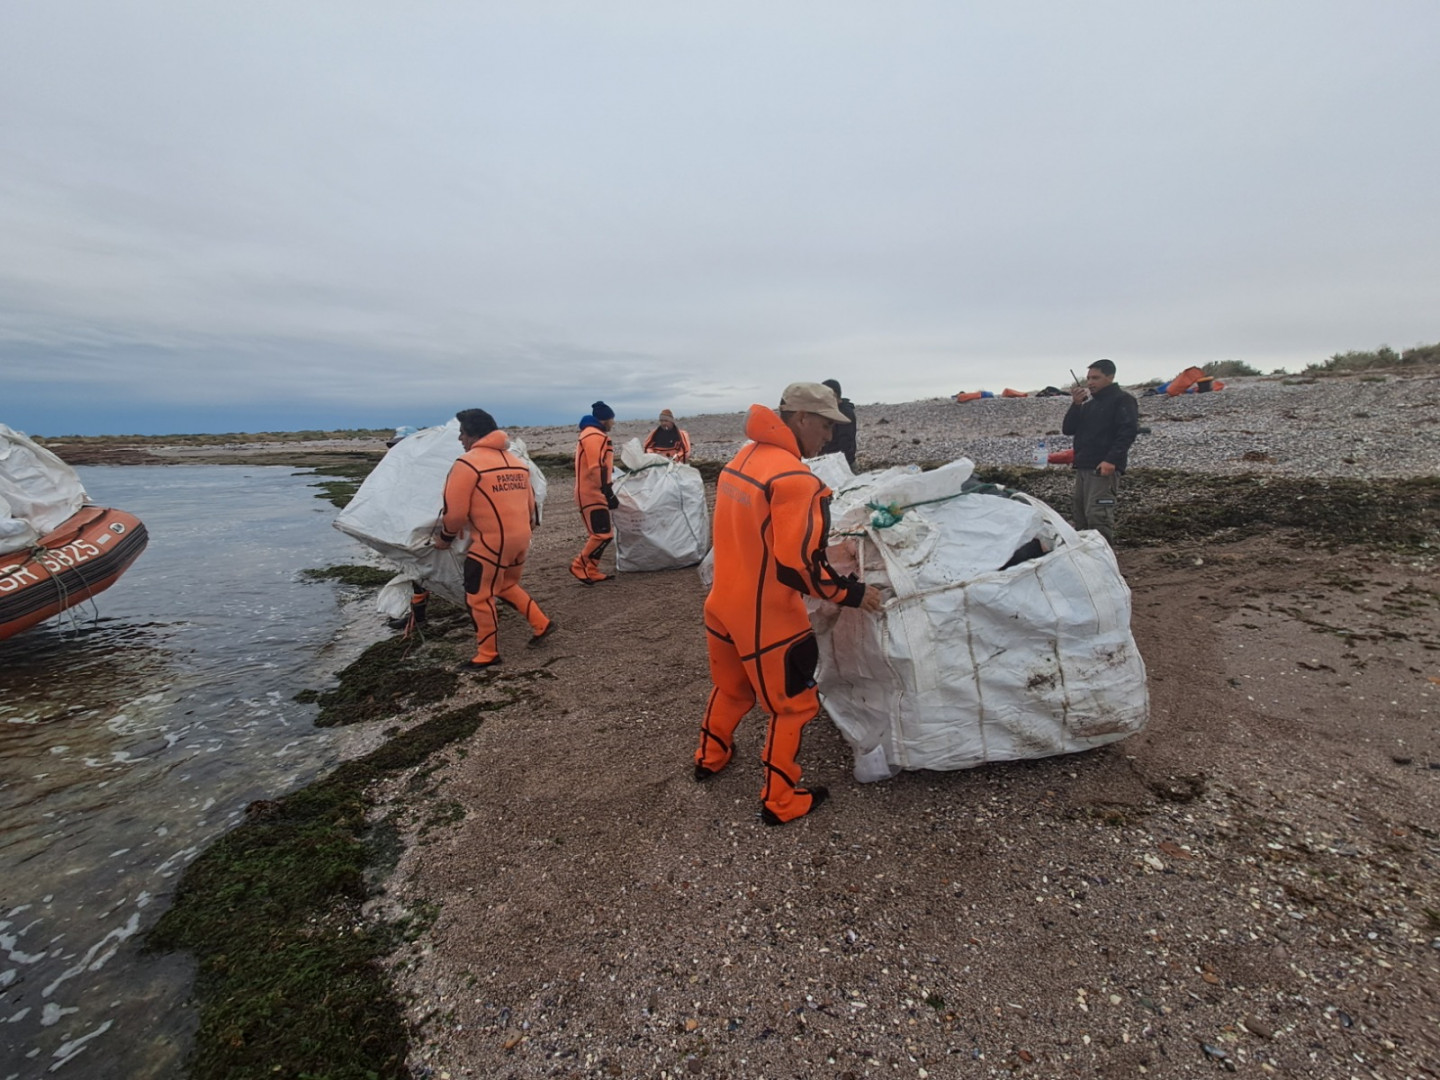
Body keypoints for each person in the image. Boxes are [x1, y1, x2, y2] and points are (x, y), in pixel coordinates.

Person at [694, 382, 886, 825]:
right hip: (767, 619)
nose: (830, 437)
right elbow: (798, 568)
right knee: (795, 705)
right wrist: (853, 594)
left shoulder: (740, 460)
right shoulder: (798, 481)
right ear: (800, 418)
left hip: (722, 604)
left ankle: (710, 756)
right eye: (823, 425)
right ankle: (780, 801)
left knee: (732, 687)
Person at [434, 408, 554, 671]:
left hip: (490, 543)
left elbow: (454, 514)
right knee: (505, 585)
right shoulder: (516, 463)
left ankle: (487, 654)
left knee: (478, 596)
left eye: (462, 433)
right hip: (520, 539)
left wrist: (444, 538)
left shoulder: (467, 464)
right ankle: (541, 623)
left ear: (473, 434)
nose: (459, 439)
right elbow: (532, 507)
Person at [1061, 358, 1139, 546]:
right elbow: (1068, 429)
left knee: (1098, 516)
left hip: (1103, 467)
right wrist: (1076, 405)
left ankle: (1105, 561)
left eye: (1095, 378)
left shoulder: (1123, 400)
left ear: (1110, 377)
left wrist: (1111, 460)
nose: (1090, 383)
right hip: (1083, 466)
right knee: (1081, 517)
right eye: (1088, 378)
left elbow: (1127, 431)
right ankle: (1086, 560)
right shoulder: (1088, 405)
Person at [570, 400, 618, 584]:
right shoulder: (593, 435)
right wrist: (606, 491)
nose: (613, 423)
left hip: (593, 491)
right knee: (602, 534)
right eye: (612, 419)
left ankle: (592, 569)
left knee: (601, 534)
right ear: (605, 419)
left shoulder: (594, 434)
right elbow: (595, 466)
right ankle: (578, 565)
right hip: (591, 493)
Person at [818, 378, 857, 466]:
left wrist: (844, 463)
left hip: (844, 464)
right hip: (831, 462)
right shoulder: (831, 411)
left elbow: (846, 441)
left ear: (834, 394)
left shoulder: (845, 413)